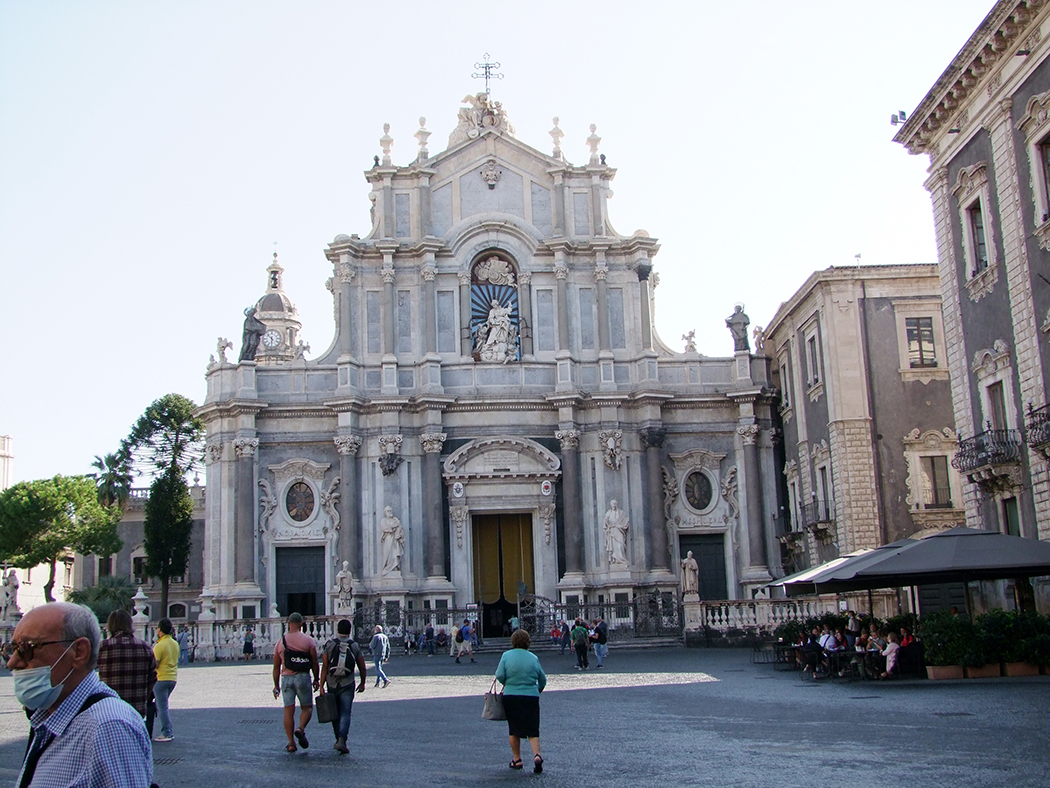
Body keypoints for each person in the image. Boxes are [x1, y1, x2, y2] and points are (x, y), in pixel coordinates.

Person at [8, 602, 153, 787]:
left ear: (79, 652)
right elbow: (152, 678)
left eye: (28, 647)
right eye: (12, 648)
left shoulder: (107, 728)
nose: (13, 662)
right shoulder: (51, 718)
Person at [97, 609, 157, 737]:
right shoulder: (145, 647)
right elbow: (153, 678)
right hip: (136, 710)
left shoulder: (103, 647)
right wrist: (143, 698)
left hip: (109, 709)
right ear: (130, 624)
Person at [495, 629, 547, 773]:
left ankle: (517, 759)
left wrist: (508, 682)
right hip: (531, 695)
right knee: (533, 728)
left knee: (514, 728)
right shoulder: (533, 657)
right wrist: (537, 690)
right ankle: (537, 755)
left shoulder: (506, 656)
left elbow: (499, 675)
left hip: (511, 695)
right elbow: (542, 679)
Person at [272, 612, 320, 753]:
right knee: (307, 708)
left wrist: (276, 686)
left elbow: (276, 667)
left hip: (286, 679)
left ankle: (291, 743)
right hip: (303, 677)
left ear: (288, 624)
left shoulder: (280, 642)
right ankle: (301, 728)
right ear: (301, 623)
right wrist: (316, 679)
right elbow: (314, 662)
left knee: (288, 711)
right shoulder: (308, 640)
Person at [318, 619, 367, 754]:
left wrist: (321, 685)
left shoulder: (330, 645)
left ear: (337, 629)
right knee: (345, 712)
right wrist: (363, 682)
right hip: (347, 683)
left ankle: (338, 739)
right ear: (350, 630)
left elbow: (325, 666)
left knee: (334, 713)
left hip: (332, 683)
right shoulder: (354, 646)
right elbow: (362, 666)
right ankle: (342, 739)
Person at [152, 617, 179, 743]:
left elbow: (155, 663)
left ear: (160, 630)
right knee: (163, 705)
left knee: (162, 707)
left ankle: (167, 732)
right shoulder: (175, 643)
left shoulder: (159, 645)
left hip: (161, 678)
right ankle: (167, 731)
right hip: (172, 678)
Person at [380, 506, 405, 575]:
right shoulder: (383, 520)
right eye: (388, 511)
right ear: (385, 512)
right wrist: (392, 528)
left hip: (394, 539)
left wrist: (396, 530)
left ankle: (395, 567)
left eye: (390, 510)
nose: (390, 512)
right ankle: (387, 567)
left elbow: (399, 526)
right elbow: (384, 527)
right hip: (387, 539)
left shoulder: (395, 520)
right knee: (387, 554)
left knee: (394, 554)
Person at [603, 500, 629, 565]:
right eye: (613, 504)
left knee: (620, 546)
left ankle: (622, 560)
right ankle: (615, 560)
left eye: (615, 504)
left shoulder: (621, 513)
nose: (614, 505)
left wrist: (624, 525)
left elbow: (626, 521)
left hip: (619, 531)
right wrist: (607, 524)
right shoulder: (609, 513)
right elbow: (605, 523)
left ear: (617, 504)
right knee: (614, 547)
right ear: (611, 505)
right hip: (612, 532)